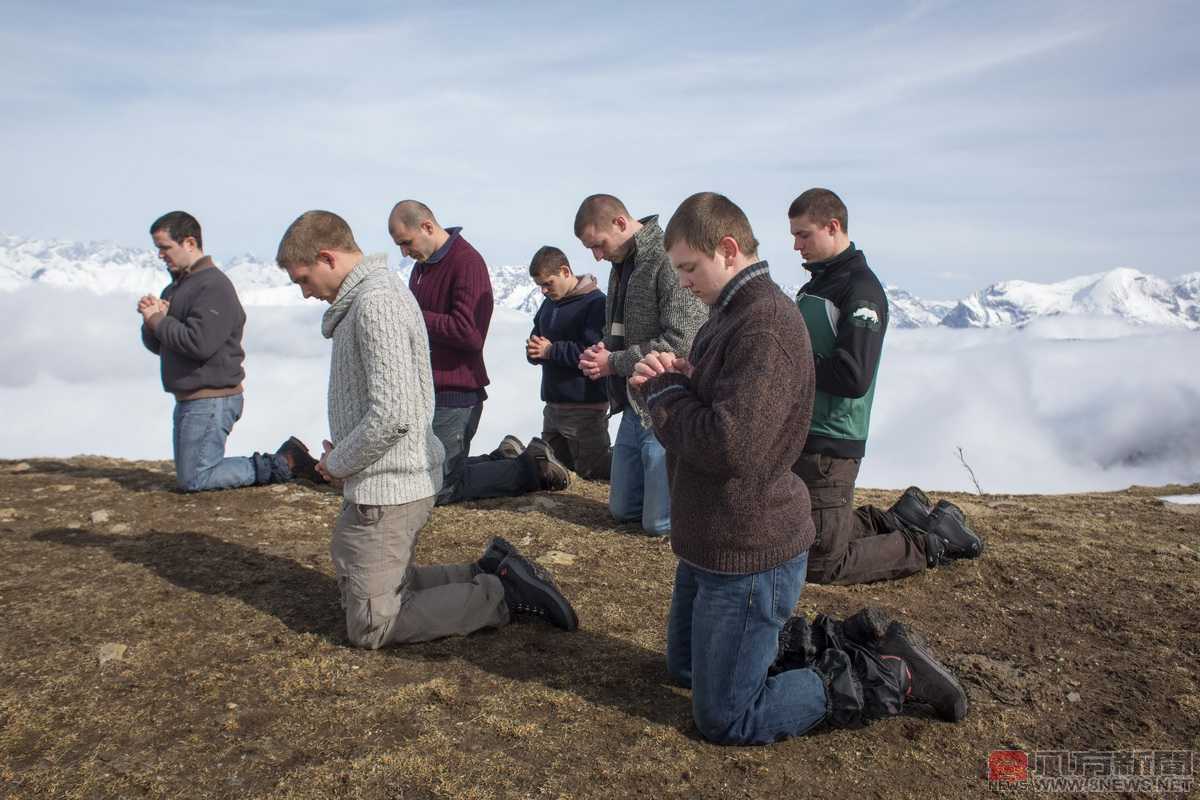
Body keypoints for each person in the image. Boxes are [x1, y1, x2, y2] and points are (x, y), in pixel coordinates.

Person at [630, 192, 967, 745]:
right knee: (685, 670)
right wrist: (677, 378)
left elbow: (730, 446)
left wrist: (665, 394)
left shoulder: (761, 324)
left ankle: (883, 675)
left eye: (690, 268)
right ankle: (845, 640)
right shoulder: (730, 314)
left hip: (746, 548)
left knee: (727, 719)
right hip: (712, 541)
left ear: (729, 249)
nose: (684, 282)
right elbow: (721, 408)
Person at [275, 210, 578, 647]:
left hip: (390, 486)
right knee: (375, 584)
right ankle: (488, 570)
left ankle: (502, 594)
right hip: (383, 479)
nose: (304, 293)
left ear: (326, 257)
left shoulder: (376, 303)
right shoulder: (370, 298)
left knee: (372, 625)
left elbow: (393, 414)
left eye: (302, 279)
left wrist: (339, 461)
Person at [787, 188, 984, 585]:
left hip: (832, 440)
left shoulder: (860, 290)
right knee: (798, 536)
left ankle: (929, 542)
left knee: (821, 564)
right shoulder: (816, 286)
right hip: (806, 432)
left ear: (833, 226)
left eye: (803, 235)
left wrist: (789, 366)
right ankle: (897, 518)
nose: (796, 245)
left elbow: (853, 376)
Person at [138, 210, 321, 492]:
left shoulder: (213, 286)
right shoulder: (175, 288)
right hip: (192, 397)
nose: (161, 255)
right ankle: (286, 459)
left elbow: (200, 344)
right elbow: (161, 347)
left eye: (165, 247)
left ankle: (286, 462)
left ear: (189, 242)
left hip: (212, 398)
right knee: (192, 475)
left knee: (196, 478)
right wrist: (152, 324)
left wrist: (158, 320)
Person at [574, 194, 707, 534]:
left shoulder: (665, 258)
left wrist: (612, 362)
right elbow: (619, 330)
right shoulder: (622, 266)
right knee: (622, 512)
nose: (597, 256)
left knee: (658, 524)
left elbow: (681, 341)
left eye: (599, 245)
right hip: (634, 401)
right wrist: (603, 350)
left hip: (667, 401)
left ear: (620, 223)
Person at [387, 200, 493, 500]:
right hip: (425, 393)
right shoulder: (421, 268)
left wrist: (413, 315)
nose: (404, 253)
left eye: (406, 243)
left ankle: (527, 469)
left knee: (440, 488)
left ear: (427, 227)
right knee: (422, 480)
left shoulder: (466, 262)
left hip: (456, 395)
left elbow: (469, 333)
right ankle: (510, 459)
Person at [515, 245, 611, 480]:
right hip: (553, 406)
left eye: (548, 283)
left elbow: (593, 353)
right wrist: (534, 351)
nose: (544, 290)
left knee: (593, 471)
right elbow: (538, 339)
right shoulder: (549, 304)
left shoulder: (596, 303)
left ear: (565, 271)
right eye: (540, 285)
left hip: (585, 408)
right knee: (552, 471)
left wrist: (550, 351)